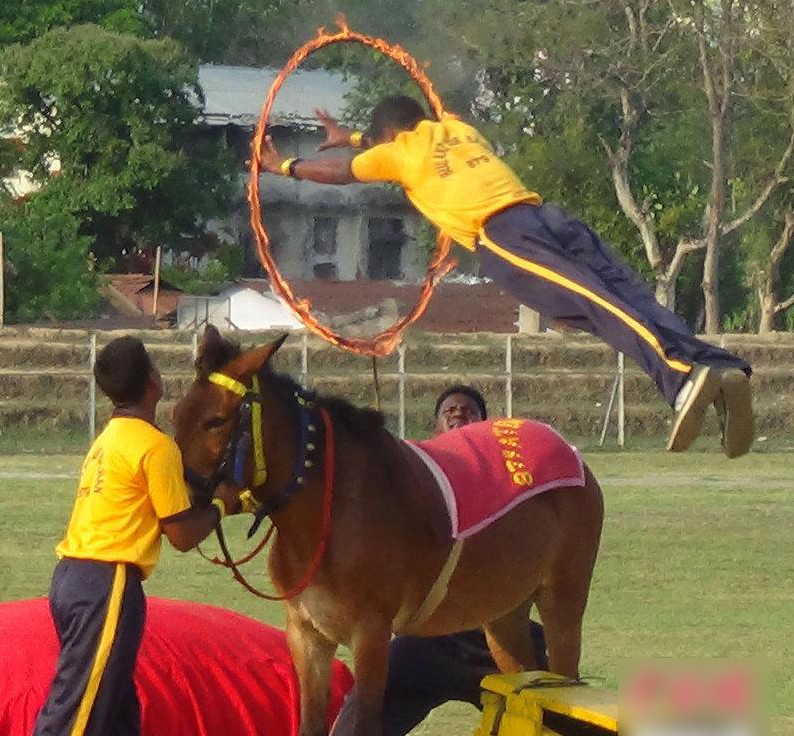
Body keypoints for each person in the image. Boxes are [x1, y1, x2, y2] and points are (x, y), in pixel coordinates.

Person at [259, 96, 754, 459]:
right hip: (548, 216)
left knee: (597, 306)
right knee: (628, 295)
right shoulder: (458, 128)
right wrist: (354, 137)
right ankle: (719, 367)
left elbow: (343, 172)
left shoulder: (399, 152)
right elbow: (383, 142)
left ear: (389, 137)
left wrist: (285, 164)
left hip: (504, 234)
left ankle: (684, 378)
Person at [33, 336, 242, 736]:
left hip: (72, 578)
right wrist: (221, 505)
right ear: (153, 380)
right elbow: (181, 534)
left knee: (115, 711)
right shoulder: (155, 446)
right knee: (74, 715)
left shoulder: (108, 439)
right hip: (105, 584)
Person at [332, 385, 548, 736]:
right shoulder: (416, 485)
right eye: (449, 410)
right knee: (358, 718)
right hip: (429, 640)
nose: (459, 413)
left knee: (560, 721)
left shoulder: (512, 484)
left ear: (487, 428)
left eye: (468, 410)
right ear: (436, 431)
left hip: (502, 636)